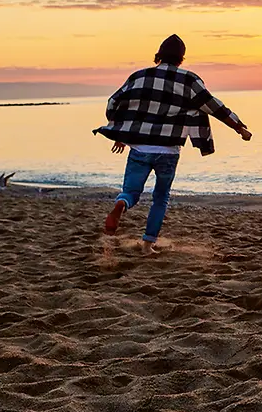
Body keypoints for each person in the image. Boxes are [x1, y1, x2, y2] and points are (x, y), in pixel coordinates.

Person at [93, 34, 252, 254]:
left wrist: (120, 131)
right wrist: (238, 127)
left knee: (131, 191)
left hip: (139, 147)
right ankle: (148, 245)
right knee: (161, 197)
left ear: (159, 55)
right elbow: (213, 106)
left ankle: (122, 204)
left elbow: (114, 101)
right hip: (168, 150)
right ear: (181, 58)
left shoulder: (139, 76)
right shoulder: (189, 80)